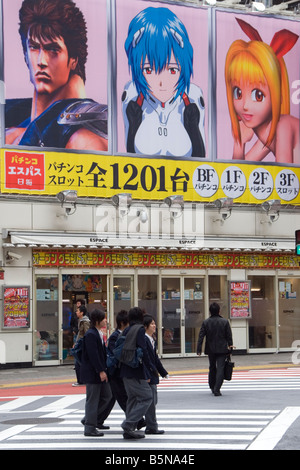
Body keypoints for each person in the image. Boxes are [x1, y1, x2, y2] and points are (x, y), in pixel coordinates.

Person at [5, 0, 108, 150]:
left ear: (73, 59)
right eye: (33, 47)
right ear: (25, 55)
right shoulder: (12, 122)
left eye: (53, 49)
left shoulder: (83, 138)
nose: (41, 61)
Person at [122, 7, 205, 158]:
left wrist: (192, 126)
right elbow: (129, 152)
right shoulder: (132, 95)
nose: (161, 82)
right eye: (148, 70)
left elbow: (202, 158)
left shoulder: (192, 97)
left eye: (172, 70)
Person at [225, 18, 299, 164]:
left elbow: (283, 175)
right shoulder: (267, 131)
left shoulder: (283, 126)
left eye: (258, 95)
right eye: (238, 93)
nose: (245, 104)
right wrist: (239, 142)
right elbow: (236, 175)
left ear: (276, 93)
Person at [120, 307, 153, 440]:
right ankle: (128, 425)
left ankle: (130, 430)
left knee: (132, 399)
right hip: (135, 370)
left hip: (124, 369)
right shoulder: (139, 329)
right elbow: (143, 350)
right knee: (147, 396)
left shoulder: (127, 329)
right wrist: (150, 368)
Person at [80, 309, 112, 436]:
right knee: (92, 400)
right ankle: (89, 427)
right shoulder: (91, 334)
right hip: (93, 373)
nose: (106, 320)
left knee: (107, 396)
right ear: (98, 321)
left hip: (99, 371)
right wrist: (101, 371)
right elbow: (94, 355)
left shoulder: (97, 333)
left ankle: (89, 418)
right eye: (104, 318)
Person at [197, 302, 233, 396]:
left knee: (212, 367)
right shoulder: (225, 322)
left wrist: (199, 348)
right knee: (220, 368)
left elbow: (201, 336)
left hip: (210, 349)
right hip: (222, 349)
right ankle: (217, 388)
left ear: (210, 311)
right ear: (219, 311)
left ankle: (212, 386)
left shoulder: (206, 322)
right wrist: (230, 347)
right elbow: (229, 336)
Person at [143, 314, 168, 434]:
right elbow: (146, 360)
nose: (154, 326)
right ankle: (151, 426)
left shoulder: (152, 339)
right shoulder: (144, 340)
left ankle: (149, 425)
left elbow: (155, 358)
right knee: (151, 400)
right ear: (145, 326)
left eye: (154, 323)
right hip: (148, 375)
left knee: (153, 400)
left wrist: (163, 372)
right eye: (152, 324)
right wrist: (151, 373)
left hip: (152, 374)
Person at [72, 304, 90, 387]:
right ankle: (81, 380)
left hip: (82, 345)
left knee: (78, 362)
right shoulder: (81, 320)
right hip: (80, 343)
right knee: (78, 362)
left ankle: (81, 380)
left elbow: (86, 334)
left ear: (82, 313)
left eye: (78, 311)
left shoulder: (85, 321)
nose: (76, 312)